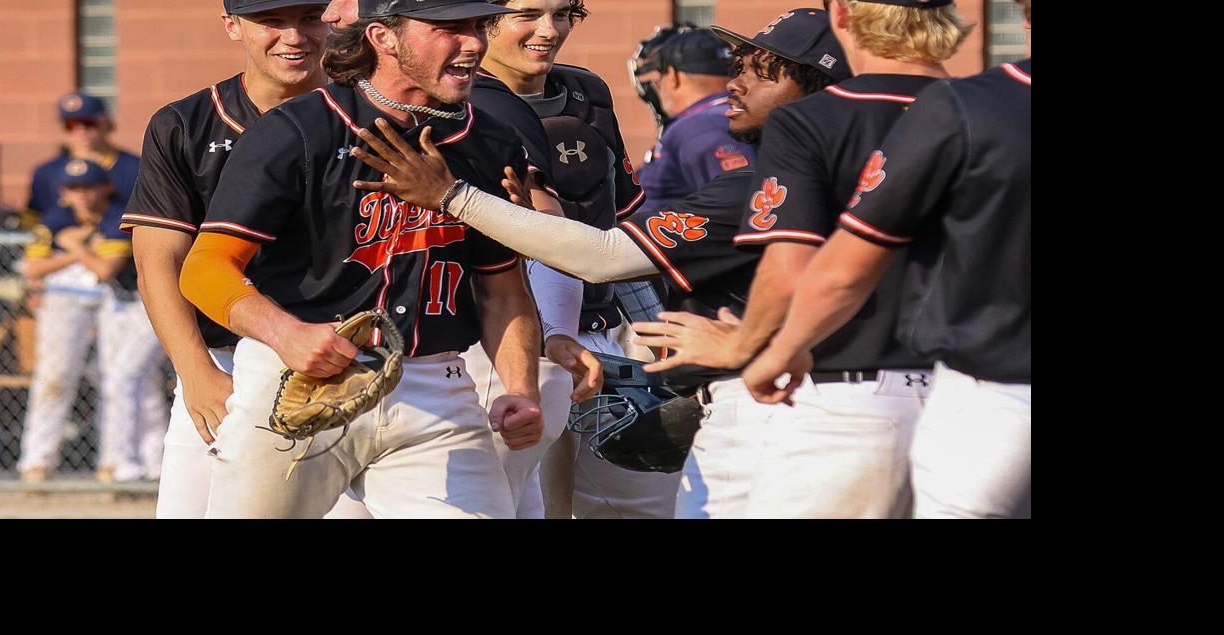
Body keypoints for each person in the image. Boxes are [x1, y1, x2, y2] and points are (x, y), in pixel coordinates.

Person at [349, 7, 849, 518]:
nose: (732, 83)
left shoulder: (759, 186)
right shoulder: (865, 169)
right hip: (495, 348)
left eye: (759, 72)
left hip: (784, 399)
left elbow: (607, 255)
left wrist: (451, 196)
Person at [178, 0, 557, 519]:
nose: (472, 43)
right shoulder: (299, 130)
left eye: (476, 26)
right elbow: (204, 268)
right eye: (448, 28)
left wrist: (521, 387)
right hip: (298, 375)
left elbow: (502, 289)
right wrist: (285, 334)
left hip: (434, 387)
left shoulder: (490, 141)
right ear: (383, 37)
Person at [637, 0, 970, 518]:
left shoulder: (812, 119)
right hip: (983, 399)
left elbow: (799, 270)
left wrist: (749, 348)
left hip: (854, 397)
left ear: (843, 14)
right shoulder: (1002, 109)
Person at [747, 0, 1031, 517]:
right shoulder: (967, 99)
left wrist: (765, 348)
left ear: (842, 15)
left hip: (961, 400)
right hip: (947, 390)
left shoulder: (972, 108)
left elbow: (823, 272)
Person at [124, 0, 373, 518]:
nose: (294, 36)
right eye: (272, 21)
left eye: (307, 18)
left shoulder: (367, 113)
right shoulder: (184, 123)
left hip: (343, 358)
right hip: (225, 359)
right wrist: (194, 372)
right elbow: (158, 264)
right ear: (233, 26)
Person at [475, 0, 675, 519]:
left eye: (563, 12)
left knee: (642, 502)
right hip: (501, 345)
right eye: (527, 14)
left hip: (599, 335)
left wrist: (659, 333)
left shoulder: (587, 91)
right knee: (523, 505)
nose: (549, 30)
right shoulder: (459, 103)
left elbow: (618, 230)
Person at [18, 159, 166, 483]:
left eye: (88, 187)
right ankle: (137, 463)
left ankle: (125, 464)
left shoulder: (118, 215)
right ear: (64, 193)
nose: (82, 196)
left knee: (129, 380)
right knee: (126, 381)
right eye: (74, 189)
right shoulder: (58, 218)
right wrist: (79, 250)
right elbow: (30, 268)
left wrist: (72, 246)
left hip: (147, 303)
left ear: (105, 187)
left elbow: (104, 270)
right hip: (116, 303)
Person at [630, 27, 749, 215]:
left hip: (679, 242)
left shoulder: (701, 125)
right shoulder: (730, 114)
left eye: (659, 76)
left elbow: (740, 205)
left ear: (673, 75)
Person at [23, 92, 141, 235]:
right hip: (59, 251)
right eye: (70, 124)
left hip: (121, 248)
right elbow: (33, 220)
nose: (81, 130)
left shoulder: (136, 168)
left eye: (89, 123)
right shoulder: (46, 173)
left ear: (107, 123)